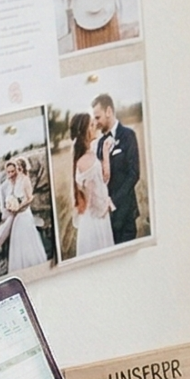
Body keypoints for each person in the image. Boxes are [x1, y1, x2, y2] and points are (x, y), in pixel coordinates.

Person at [92, 92, 139, 245]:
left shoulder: (128, 135)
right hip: (106, 220)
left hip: (125, 214)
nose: (96, 122)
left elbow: (134, 174)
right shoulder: (99, 143)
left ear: (109, 112)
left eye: (98, 117)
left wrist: (113, 201)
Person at [68, 117, 113, 256]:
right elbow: (93, 195)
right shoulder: (86, 160)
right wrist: (104, 208)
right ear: (85, 132)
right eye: (92, 125)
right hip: (95, 217)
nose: (96, 127)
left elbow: (104, 178)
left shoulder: (88, 154)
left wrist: (105, 153)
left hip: (96, 213)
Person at [4, 157, 51, 272]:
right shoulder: (17, 180)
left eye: (20, 166)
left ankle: (32, 262)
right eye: (17, 166)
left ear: (24, 167)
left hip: (24, 213)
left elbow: (29, 198)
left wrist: (19, 207)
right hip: (18, 214)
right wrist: (11, 204)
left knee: (27, 237)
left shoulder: (26, 180)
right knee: (18, 239)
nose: (19, 168)